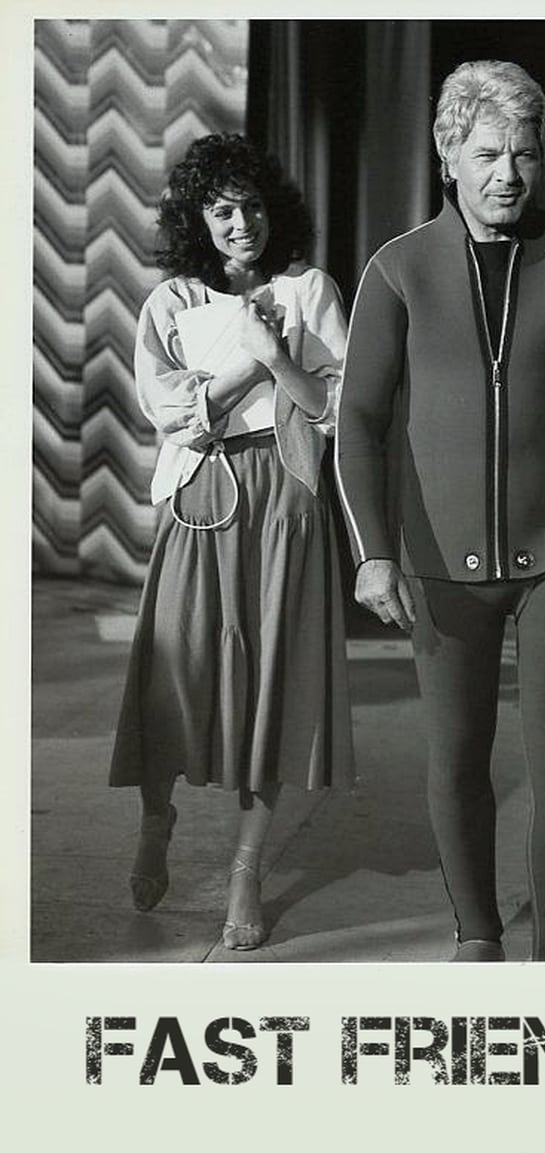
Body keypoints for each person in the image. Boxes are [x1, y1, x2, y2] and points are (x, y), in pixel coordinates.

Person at [336, 60, 545, 962]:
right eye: (488, 153)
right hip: (437, 554)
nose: (508, 174)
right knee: (456, 756)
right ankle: (478, 938)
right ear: (448, 155)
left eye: (525, 154)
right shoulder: (398, 269)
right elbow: (358, 420)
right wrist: (373, 551)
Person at [110, 133, 354, 950]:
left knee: (272, 681)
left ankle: (247, 868)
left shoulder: (309, 289)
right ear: (198, 220)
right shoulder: (171, 302)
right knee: (172, 669)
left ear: (273, 209)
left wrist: (276, 354)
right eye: (222, 210)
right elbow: (173, 413)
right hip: (200, 493)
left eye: (251, 206)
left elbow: (333, 406)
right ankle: (156, 818)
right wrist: (252, 366)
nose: (241, 223)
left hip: (285, 494)